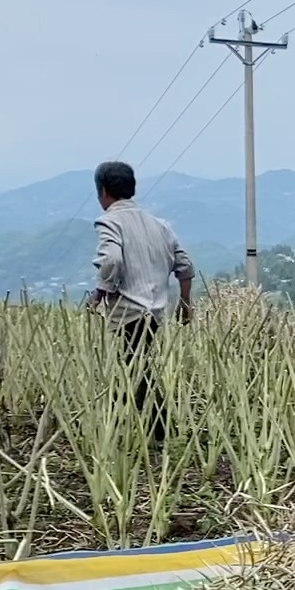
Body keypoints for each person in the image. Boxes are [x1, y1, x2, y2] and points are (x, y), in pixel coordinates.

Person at [88, 160, 194, 444]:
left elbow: (111, 259)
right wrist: (185, 303)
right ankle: (140, 428)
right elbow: (184, 265)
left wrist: (100, 292)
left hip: (128, 310)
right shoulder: (159, 225)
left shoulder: (109, 221)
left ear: (104, 192)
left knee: (136, 371)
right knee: (136, 367)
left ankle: (159, 433)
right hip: (156, 311)